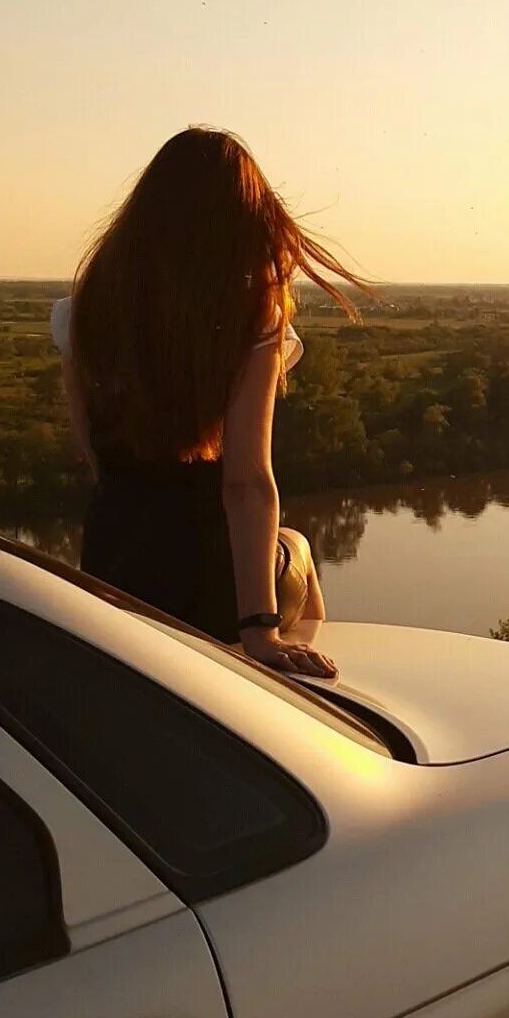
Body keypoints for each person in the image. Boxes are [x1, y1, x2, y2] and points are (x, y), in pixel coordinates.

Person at [51, 126, 362, 676]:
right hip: (213, 589)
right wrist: (259, 631)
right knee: (300, 550)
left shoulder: (82, 313)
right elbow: (246, 483)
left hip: (113, 581)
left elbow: (98, 461)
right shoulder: (252, 317)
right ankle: (320, 694)